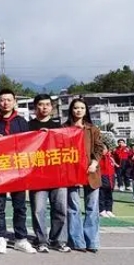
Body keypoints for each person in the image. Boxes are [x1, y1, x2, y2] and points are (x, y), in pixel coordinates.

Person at [0, 89, 35, 254]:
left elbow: (30, 144)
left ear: (14, 102)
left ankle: (21, 238)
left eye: (8, 100)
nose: (5, 103)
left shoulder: (22, 122)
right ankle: (1, 237)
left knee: (20, 206)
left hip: (18, 170)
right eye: (2, 100)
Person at [28, 94, 70, 253]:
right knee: (38, 210)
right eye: (40, 104)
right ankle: (41, 240)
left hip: (58, 174)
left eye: (47, 104)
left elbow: (67, 147)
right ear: (35, 107)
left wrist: (53, 136)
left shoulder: (60, 127)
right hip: (37, 175)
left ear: (52, 108)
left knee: (60, 208)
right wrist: (37, 137)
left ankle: (58, 240)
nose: (44, 107)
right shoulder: (28, 127)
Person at [63, 98, 103, 253]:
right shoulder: (64, 128)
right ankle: (77, 241)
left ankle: (92, 241)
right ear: (71, 110)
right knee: (74, 208)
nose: (78, 110)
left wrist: (94, 163)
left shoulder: (92, 129)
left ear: (86, 111)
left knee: (92, 208)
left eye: (81, 108)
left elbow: (99, 148)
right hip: (72, 174)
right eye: (75, 108)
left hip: (91, 173)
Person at [99, 144, 117, 218]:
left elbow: (113, 169)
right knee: (101, 196)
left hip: (110, 180)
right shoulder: (98, 158)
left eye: (104, 148)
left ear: (107, 149)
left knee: (109, 196)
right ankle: (101, 210)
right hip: (102, 179)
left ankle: (109, 210)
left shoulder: (110, 158)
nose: (103, 150)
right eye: (101, 149)